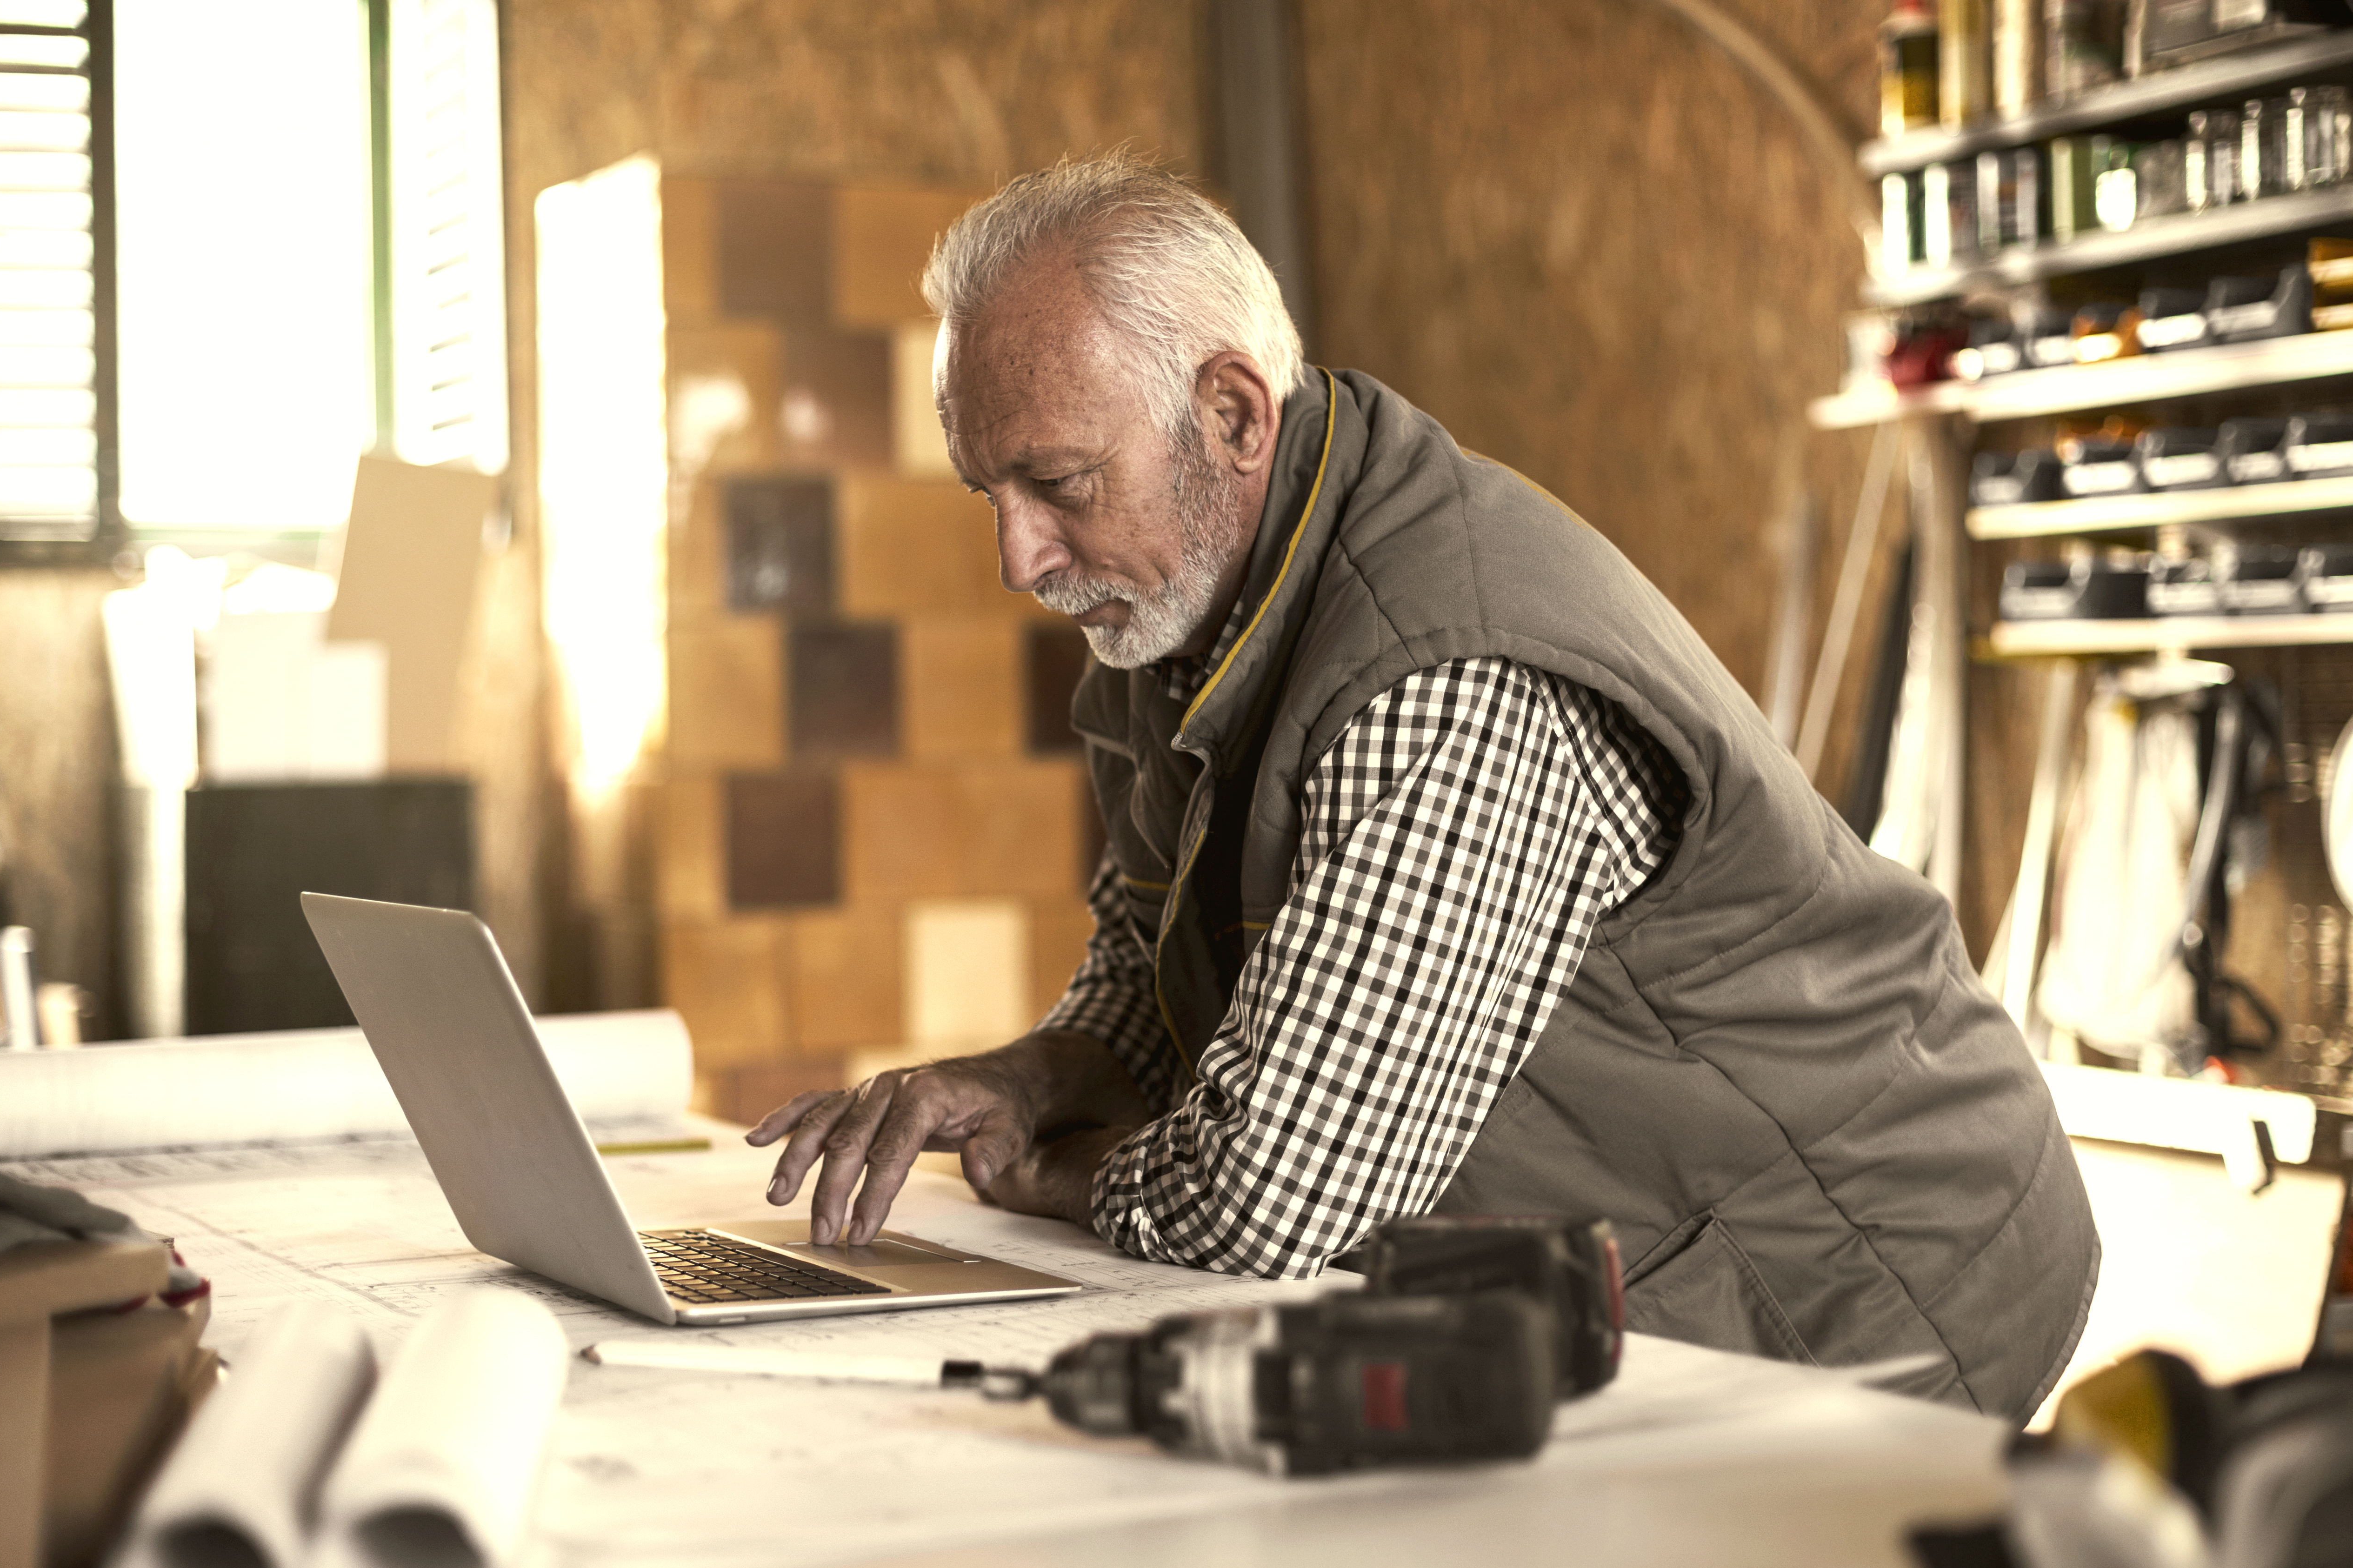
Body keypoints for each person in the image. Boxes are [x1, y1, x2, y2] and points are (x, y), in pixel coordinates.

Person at [747, 153, 2096, 1422]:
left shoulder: (1443, 676)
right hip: (1663, 1248)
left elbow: (1270, 1206)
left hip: (1877, 1270)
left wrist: (1066, 1177)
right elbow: (1158, 973)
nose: (1020, 560)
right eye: (991, 492)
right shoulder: (1182, 615)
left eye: (1058, 484)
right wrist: (1029, 1080)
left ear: (1230, 415)